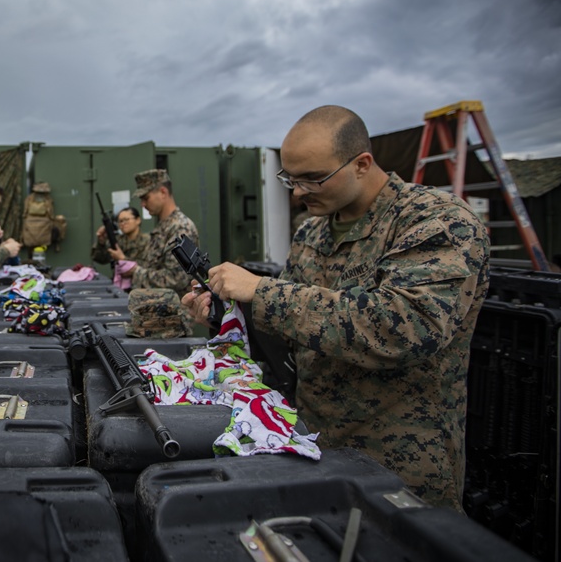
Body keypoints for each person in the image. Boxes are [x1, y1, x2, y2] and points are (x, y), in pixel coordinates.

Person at [182, 105, 490, 511]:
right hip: (315, 441)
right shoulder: (313, 229)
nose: (297, 193)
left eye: (312, 179)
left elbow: (405, 329)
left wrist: (262, 291)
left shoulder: (437, 222)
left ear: (362, 164)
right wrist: (226, 313)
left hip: (400, 464)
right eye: (290, 178)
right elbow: (292, 326)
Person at [113, 169, 198, 296]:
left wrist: (135, 272)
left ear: (163, 192)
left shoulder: (180, 227)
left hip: (175, 311)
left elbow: (176, 278)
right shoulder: (163, 226)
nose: (142, 204)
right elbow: (152, 266)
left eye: (146, 198)